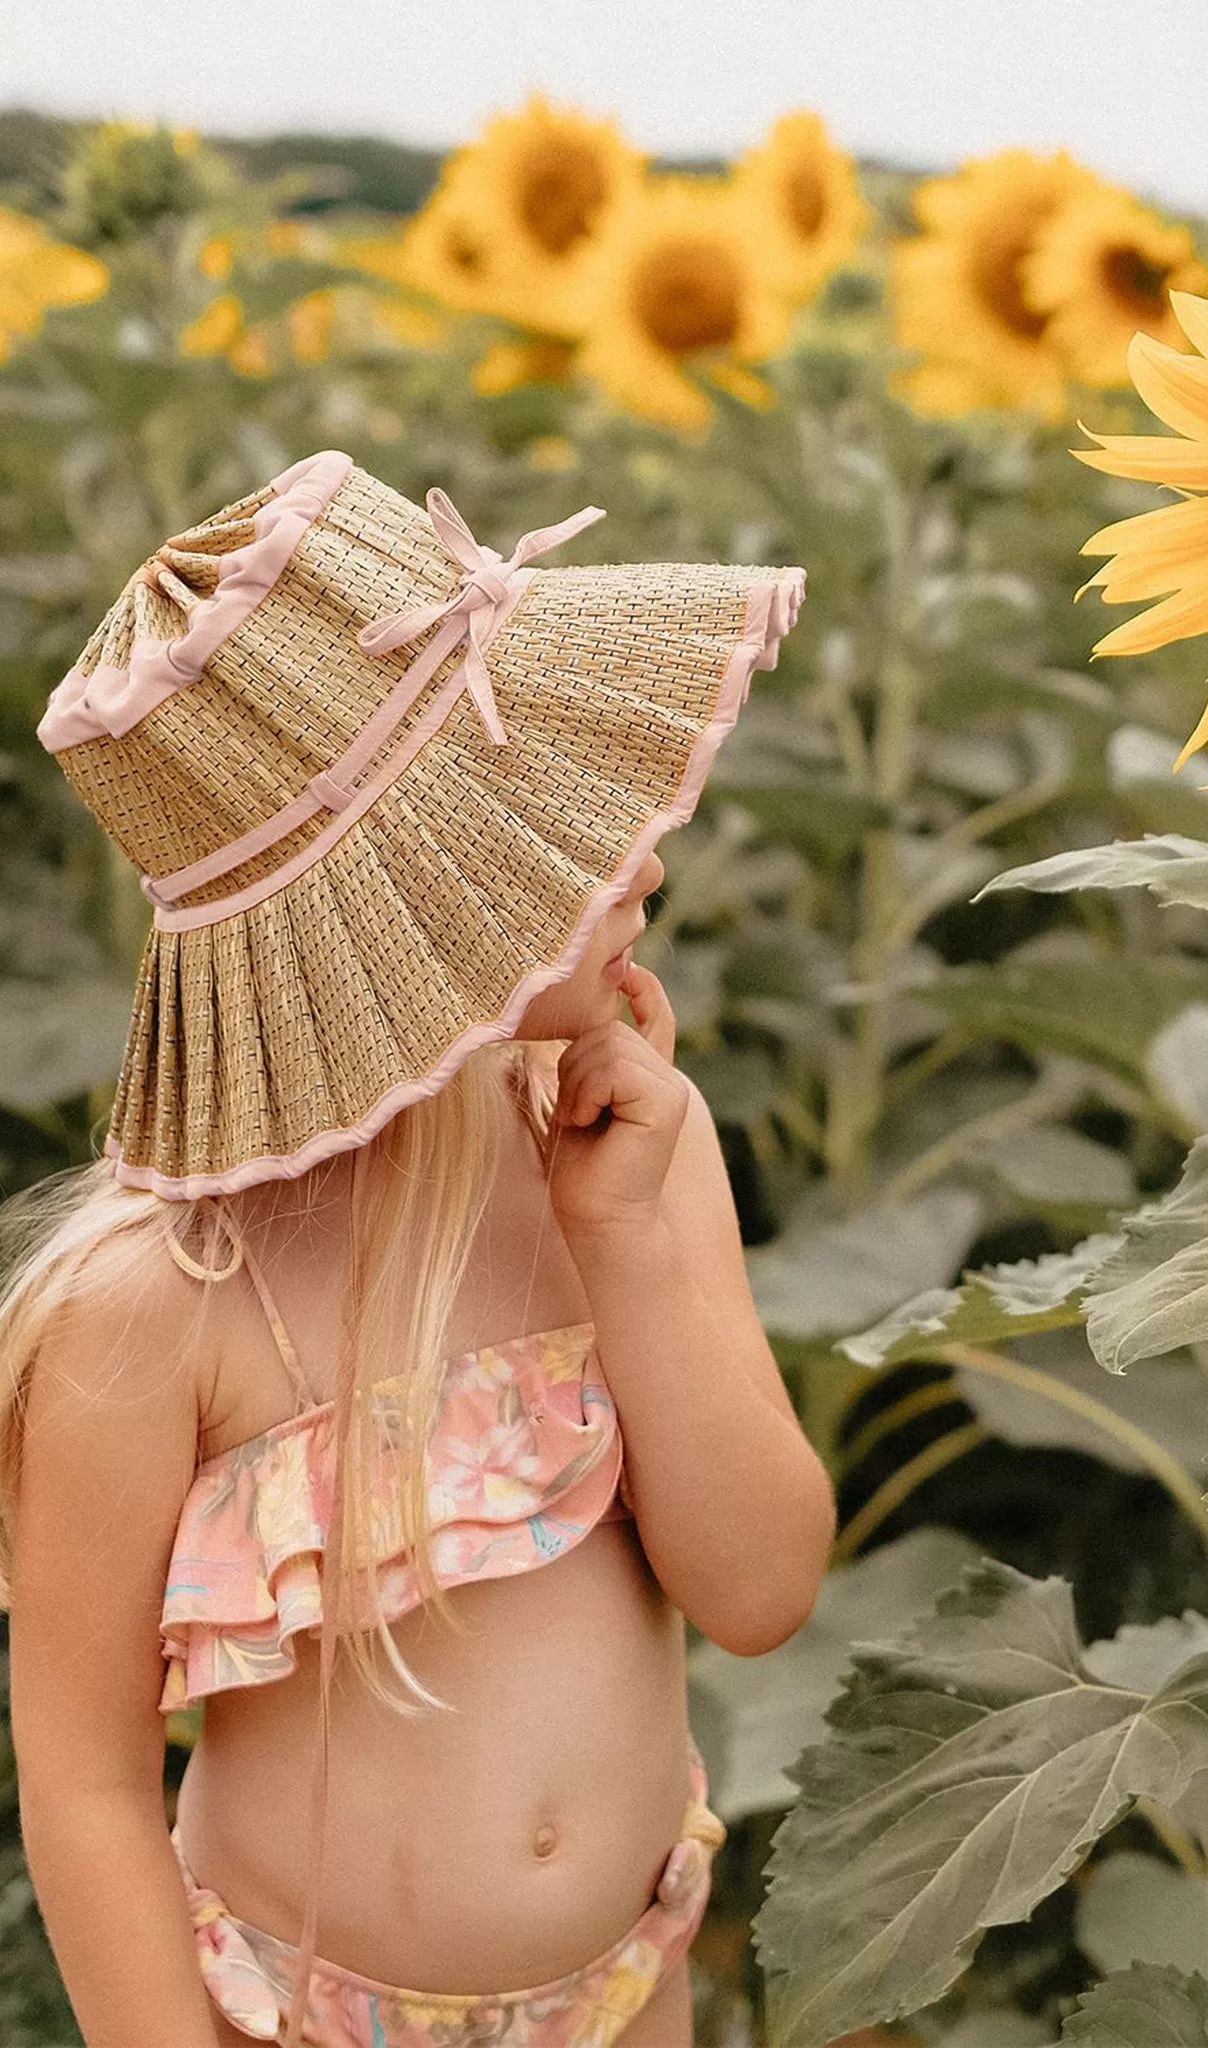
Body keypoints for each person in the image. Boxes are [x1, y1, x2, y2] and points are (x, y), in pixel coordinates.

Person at [1, 450, 833, 2048]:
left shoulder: (639, 1156)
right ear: (422, 905)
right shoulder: (147, 1312)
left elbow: (758, 1588)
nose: (646, 844)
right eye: (568, 820)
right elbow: (87, 1789)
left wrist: (630, 1247)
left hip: (627, 1992)